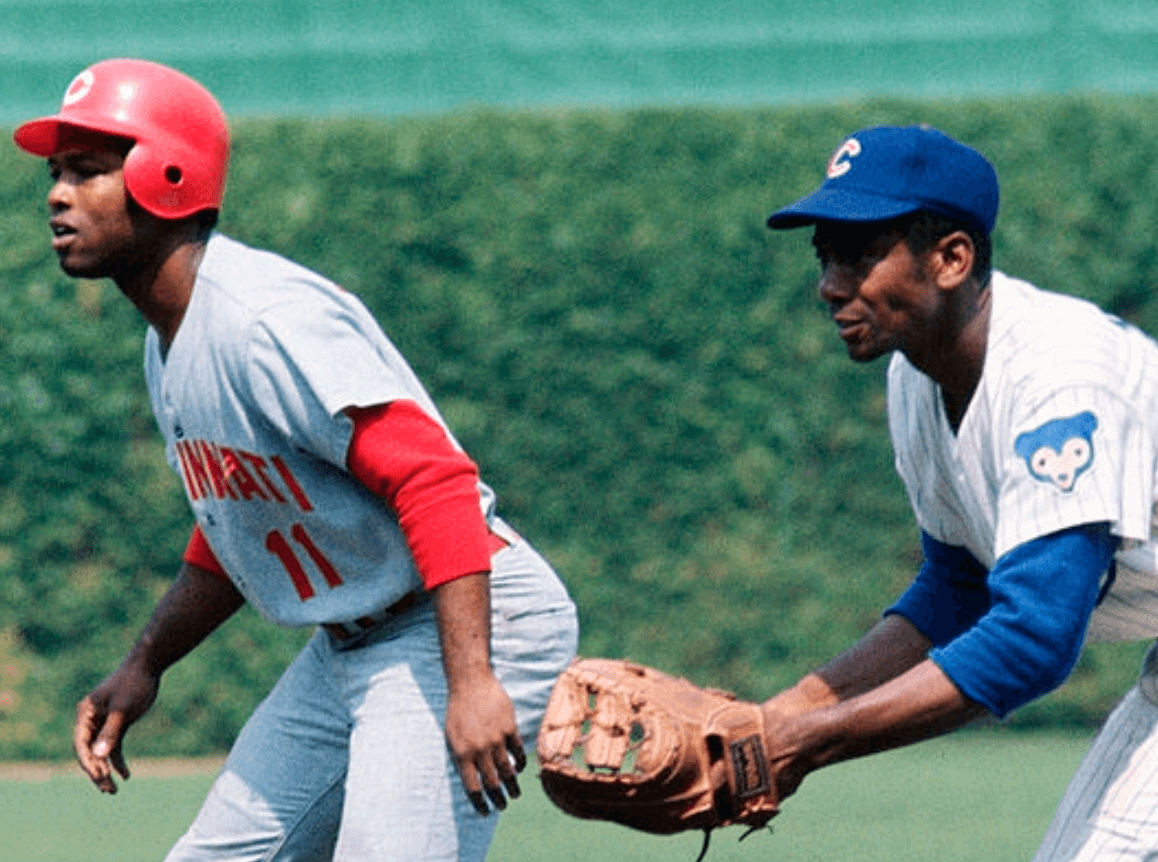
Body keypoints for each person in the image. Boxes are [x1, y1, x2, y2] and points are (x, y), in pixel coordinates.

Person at [13, 57, 579, 862]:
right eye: (57, 172)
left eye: (88, 171)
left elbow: (436, 479)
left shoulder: (264, 321)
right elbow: (242, 523)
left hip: (462, 620)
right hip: (351, 645)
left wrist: (474, 680)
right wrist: (145, 662)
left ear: (166, 175)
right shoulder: (170, 341)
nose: (58, 194)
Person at [761, 124, 1158, 859]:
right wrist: (783, 714)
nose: (829, 284)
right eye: (824, 256)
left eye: (859, 253)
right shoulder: (916, 375)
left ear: (951, 258)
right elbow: (959, 587)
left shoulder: (1058, 379)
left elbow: (1032, 639)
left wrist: (807, 742)